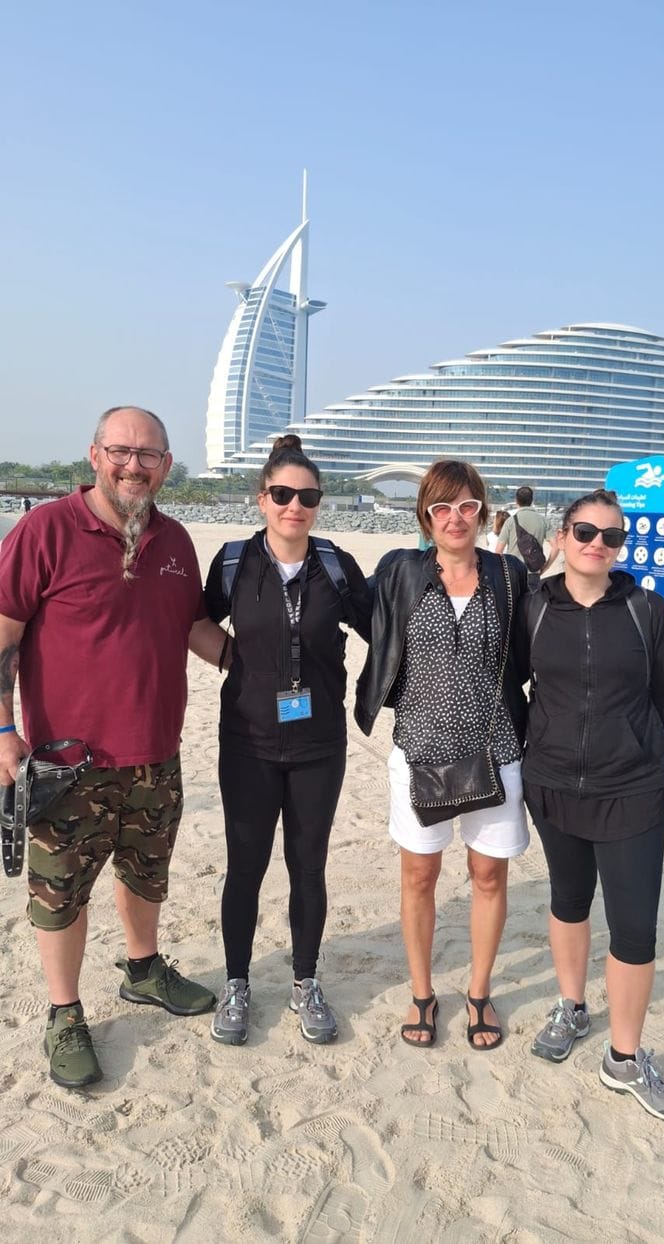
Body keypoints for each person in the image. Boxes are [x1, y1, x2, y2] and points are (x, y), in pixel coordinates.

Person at [0, 406, 227, 1090]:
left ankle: (143, 970)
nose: (135, 465)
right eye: (122, 452)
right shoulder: (45, 530)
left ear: (166, 465)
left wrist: (261, 667)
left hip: (155, 752)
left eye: (150, 455)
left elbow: (192, 627)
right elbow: (3, 639)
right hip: (66, 762)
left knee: (145, 874)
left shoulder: (176, 542)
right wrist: (4, 731)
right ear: (94, 454)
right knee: (60, 893)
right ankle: (65, 1013)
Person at [518, 488, 664, 1124]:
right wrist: (522, 762)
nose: (598, 545)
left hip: (634, 787)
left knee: (635, 929)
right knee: (567, 902)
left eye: (612, 537)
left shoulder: (645, 609)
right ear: (562, 537)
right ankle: (571, 1005)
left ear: (624, 547)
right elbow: (512, 688)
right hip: (554, 784)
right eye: (586, 532)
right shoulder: (533, 607)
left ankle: (624, 1058)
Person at [355, 460, 529, 1048]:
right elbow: (359, 620)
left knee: (487, 874)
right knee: (419, 874)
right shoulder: (400, 572)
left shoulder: (509, 575)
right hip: (419, 749)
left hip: (494, 747)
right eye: (441, 508)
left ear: (484, 510)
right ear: (425, 518)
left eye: (467, 506)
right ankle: (423, 993)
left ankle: (479, 994)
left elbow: (535, 649)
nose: (456, 519)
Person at [204, 434, 371, 1047]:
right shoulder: (232, 561)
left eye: (307, 495)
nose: (294, 505)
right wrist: (236, 660)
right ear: (262, 499)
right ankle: (238, 983)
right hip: (246, 739)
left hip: (319, 744)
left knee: (309, 865)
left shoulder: (335, 564)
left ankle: (305, 981)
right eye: (282, 494)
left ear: (318, 503)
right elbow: (193, 621)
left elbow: (382, 626)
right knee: (245, 866)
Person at [495, 485, 549, 589]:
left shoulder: (510, 521)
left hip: (513, 572)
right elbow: (556, 546)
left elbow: (498, 551)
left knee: (513, 604)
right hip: (534, 572)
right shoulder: (543, 520)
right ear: (532, 500)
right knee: (531, 604)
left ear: (516, 501)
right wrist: (545, 566)